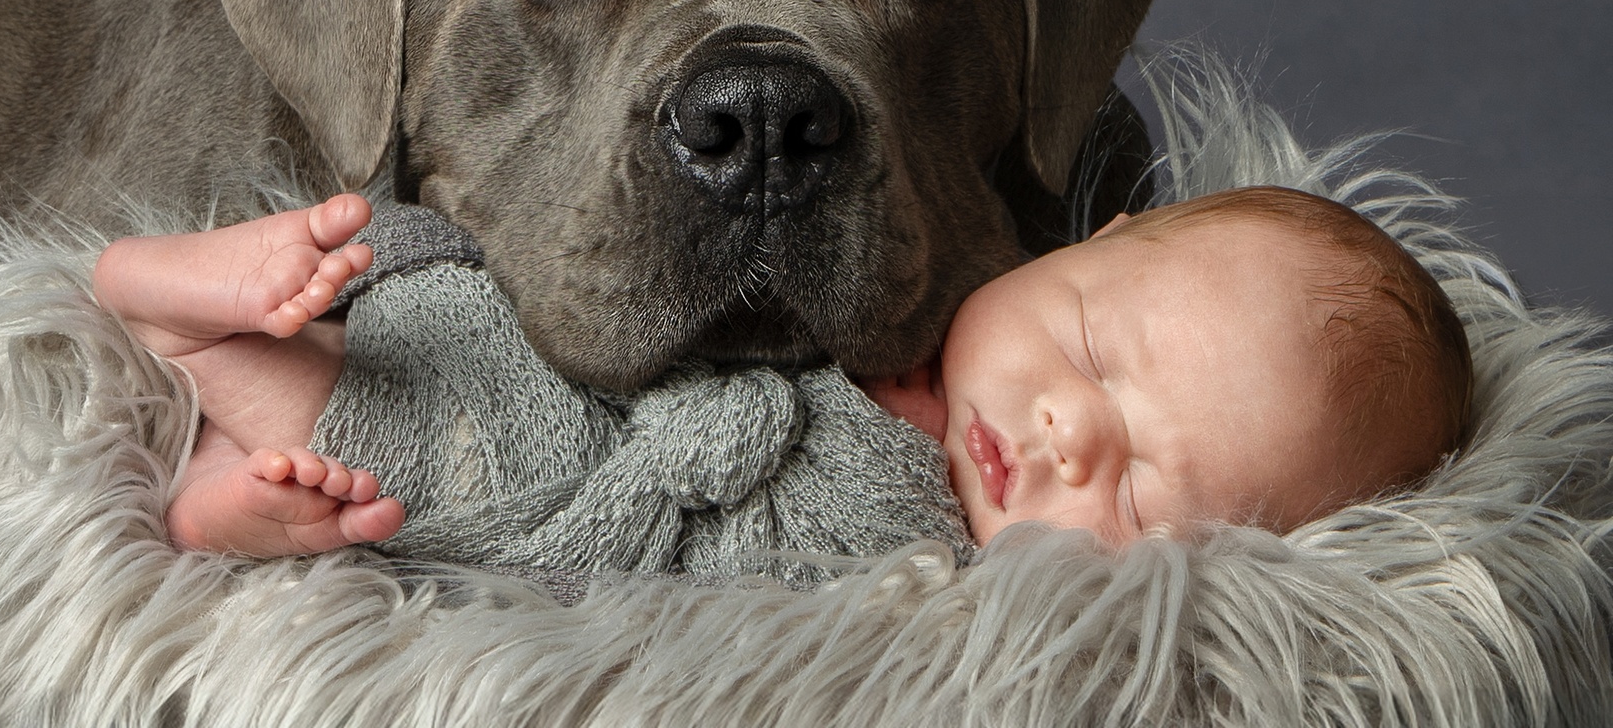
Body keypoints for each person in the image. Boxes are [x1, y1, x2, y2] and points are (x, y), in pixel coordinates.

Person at [93, 185, 1471, 563]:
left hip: (569, 486)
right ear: (1089, 242)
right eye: (1097, 352)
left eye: (1149, 488)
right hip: (528, 353)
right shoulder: (905, 267)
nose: (1064, 434)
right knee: (428, 352)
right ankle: (174, 298)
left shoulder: (941, 573)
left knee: (391, 499)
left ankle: (225, 486)